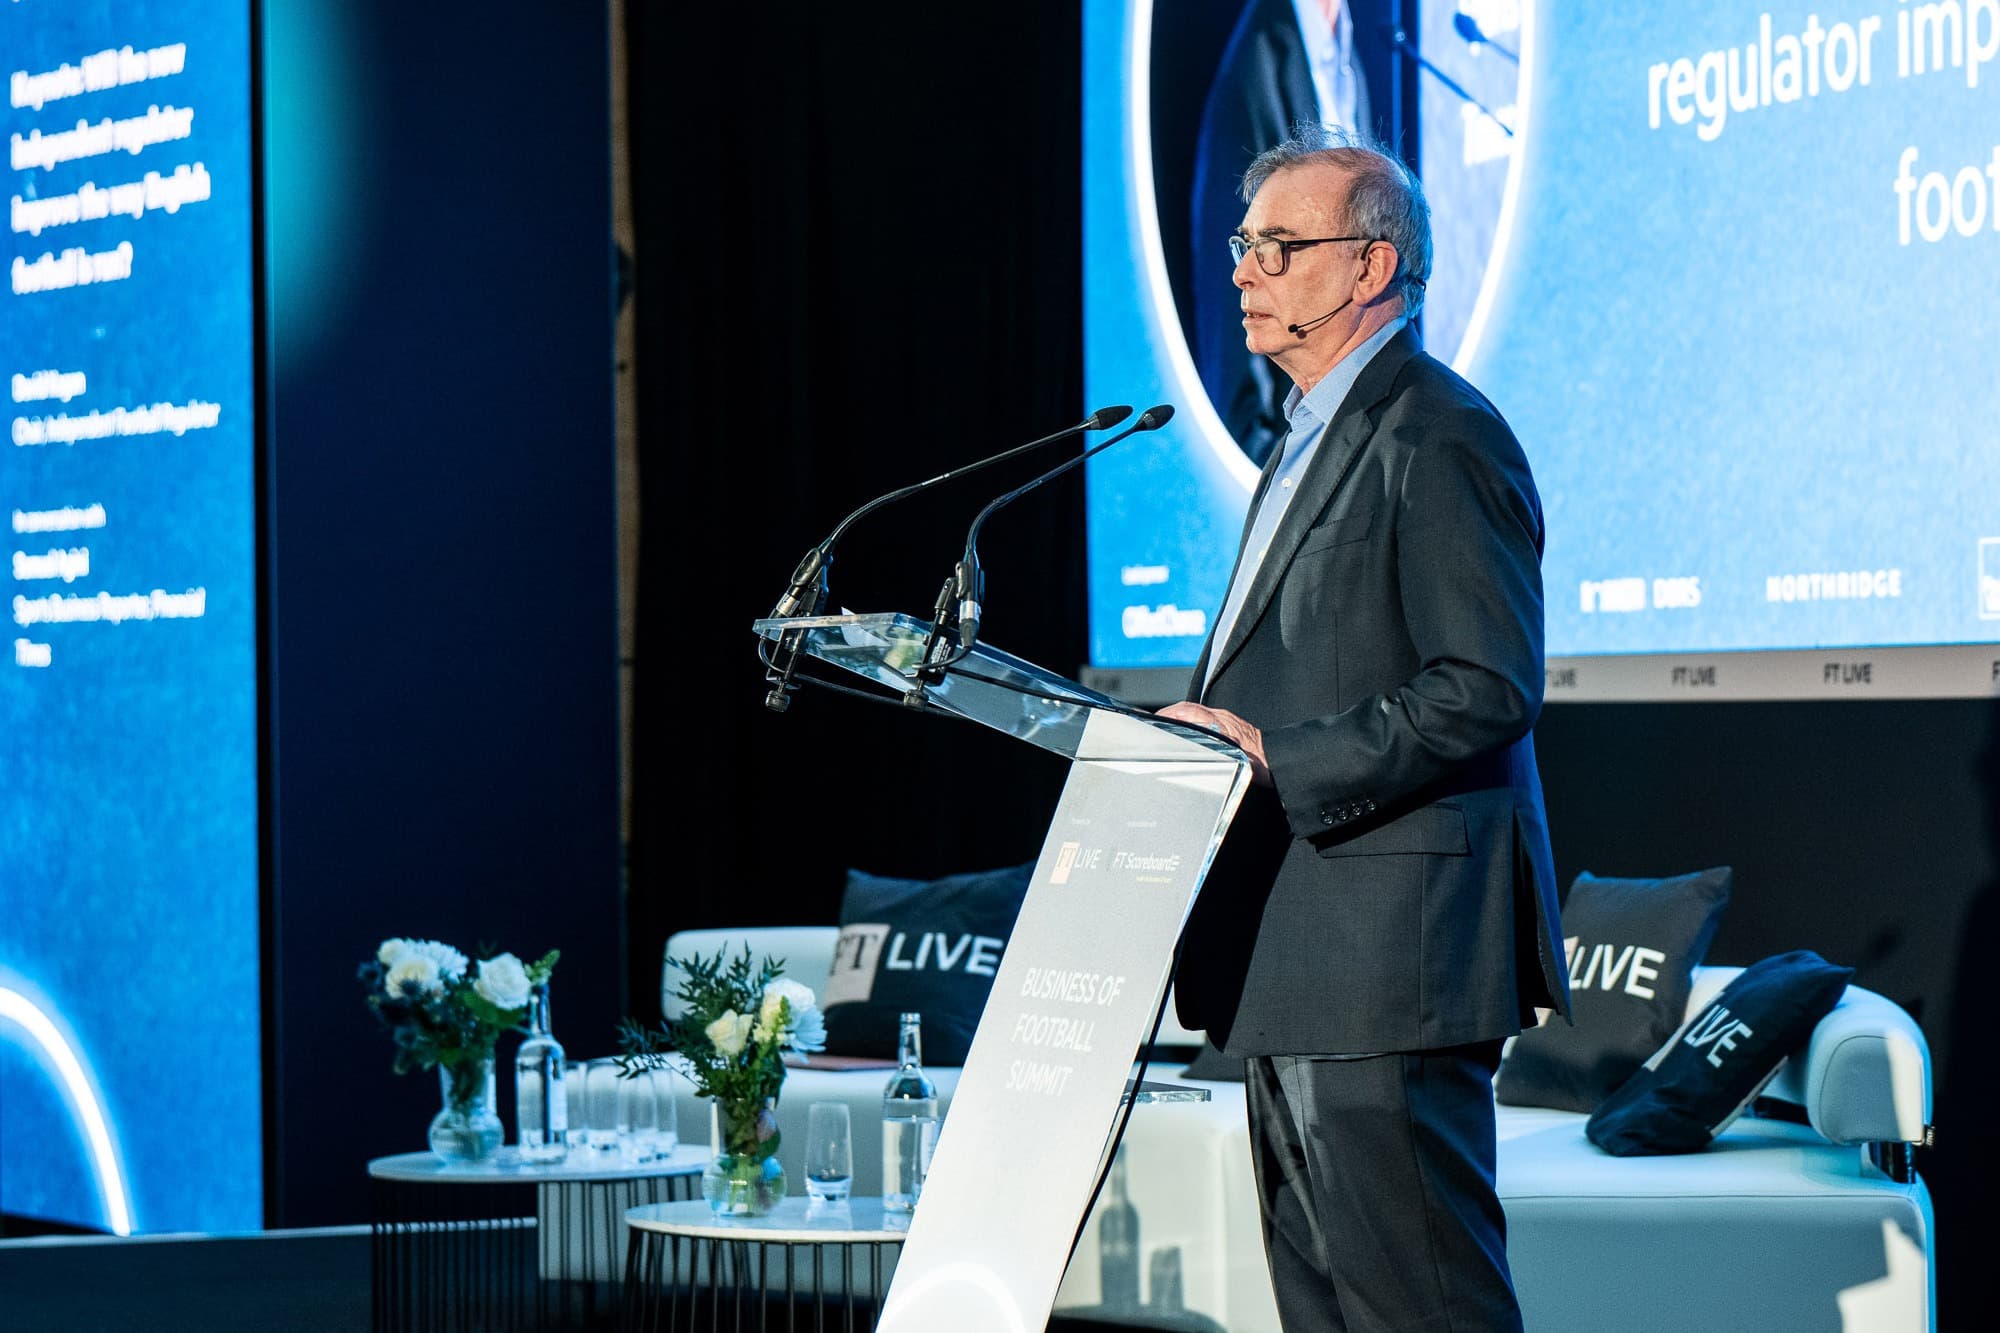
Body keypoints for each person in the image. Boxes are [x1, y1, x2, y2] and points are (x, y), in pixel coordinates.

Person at [1160, 126, 1572, 1333]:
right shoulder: (1307, 432)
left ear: (1370, 268)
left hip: (1389, 963)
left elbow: (1487, 683)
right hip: (1296, 958)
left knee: (1418, 1312)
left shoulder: (1438, 432)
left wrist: (1277, 759)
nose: (1242, 272)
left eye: (1277, 248)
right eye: (1243, 245)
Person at [1189, 0, 1372, 467]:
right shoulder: (1257, 60)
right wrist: (1260, 454)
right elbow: (1231, 267)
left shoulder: (1346, 49)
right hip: (1287, 439)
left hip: (1357, 416)